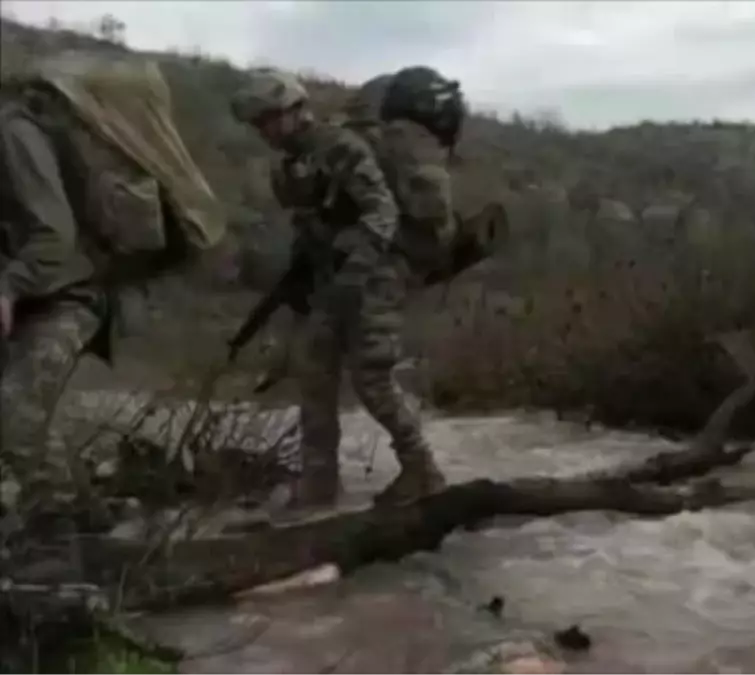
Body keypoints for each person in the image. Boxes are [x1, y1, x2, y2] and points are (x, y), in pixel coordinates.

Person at [0, 53, 226, 519]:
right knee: (32, 415)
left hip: (68, 293)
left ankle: (60, 539)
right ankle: (86, 519)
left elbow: (53, 237)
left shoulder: (14, 131)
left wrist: (8, 287)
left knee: (15, 412)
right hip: (37, 294)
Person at [229, 68, 448, 511]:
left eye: (271, 118)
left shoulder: (340, 147)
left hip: (374, 274)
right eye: (260, 123)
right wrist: (303, 280)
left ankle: (422, 469)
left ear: (295, 109)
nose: (266, 130)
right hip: (330, 278)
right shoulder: (291, 163)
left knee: (372, 377)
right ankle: (319, 482)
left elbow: (381, 213)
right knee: (314, 375)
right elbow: (310, 223)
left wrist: (353, 277)